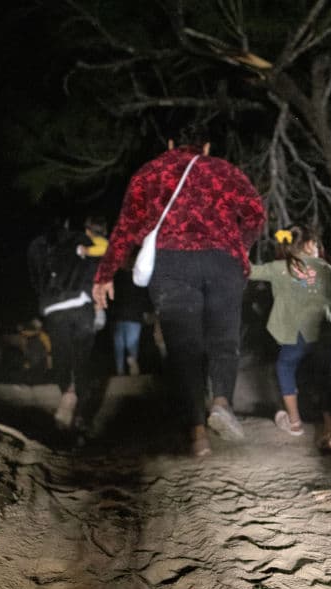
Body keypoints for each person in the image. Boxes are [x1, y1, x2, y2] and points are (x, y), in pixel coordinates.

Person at [92, 127, 266, 457]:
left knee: (184, 349)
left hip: (170, 264)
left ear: (170, 143)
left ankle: (197, 434)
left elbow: (125, 228)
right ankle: (221, 402)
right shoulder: (224, 170)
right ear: (207, 146)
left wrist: (105, 275)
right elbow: (256, 214)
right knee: (224, 340)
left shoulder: (149, 173)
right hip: (222, 261)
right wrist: (239, 246)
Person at [249, 224, 331, 453]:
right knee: (325, 379)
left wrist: (239, 246)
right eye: (315, 243)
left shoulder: (279, 267)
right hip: (325, 332)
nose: (317, 247)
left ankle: (295, 423)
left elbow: (250, 271)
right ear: (307, 244)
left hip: (296, 334)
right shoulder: (325, 268)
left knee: (285, 367)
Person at [26, 218, 108, 431]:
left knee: (61, 353)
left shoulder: (38, 245)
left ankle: (67, 393)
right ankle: (81, 415)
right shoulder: (81, 240)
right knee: (82, 358)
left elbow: (36, 278)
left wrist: (45, 300)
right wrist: (97, 304)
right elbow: (98, 263)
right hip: (80, 303)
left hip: (53, 307)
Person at [110, 255, 153, 376]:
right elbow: (144, 296)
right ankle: (125, 371)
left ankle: (125, 371)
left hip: (127, 317)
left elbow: (144, 296)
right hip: (127, 317)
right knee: (125, 345)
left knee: (124, 346)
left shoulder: (119, 277)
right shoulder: (130, 277)